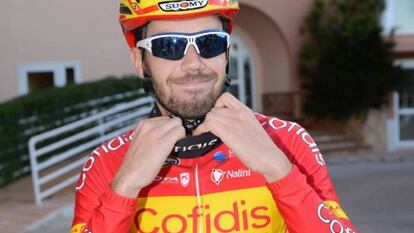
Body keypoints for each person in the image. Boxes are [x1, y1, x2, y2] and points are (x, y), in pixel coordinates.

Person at [71, 1, 358, 232]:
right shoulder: (107, 163)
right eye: (168, 46)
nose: (194, 64)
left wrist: (279, 171)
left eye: (210, 43)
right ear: (139, 62)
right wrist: (124, 189)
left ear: (226, 53)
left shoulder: (287, 141)